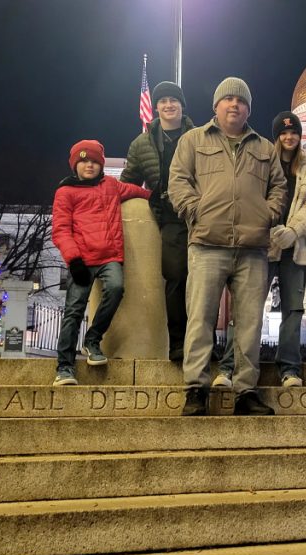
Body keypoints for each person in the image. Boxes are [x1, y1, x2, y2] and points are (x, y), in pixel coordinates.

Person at [168, 77, 287, 416]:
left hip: (252, 247)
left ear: (248, 108)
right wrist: (196, 211)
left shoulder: (265, 147)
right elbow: (178, 181)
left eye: (241, 100)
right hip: (207, 244)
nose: (234, 104)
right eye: (228, 99)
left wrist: (267, 214)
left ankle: (246, 391)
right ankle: (196, 388)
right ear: (216, 106)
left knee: (250, 323)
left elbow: (279, 188)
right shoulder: (193, 140)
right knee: (200, 319)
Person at [216, 111, 306, 387]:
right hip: (261, 246)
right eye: (284, 133)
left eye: (294, 132)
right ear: (276, 137)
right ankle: (229, 367)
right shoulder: (261, 162)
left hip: (295, 249)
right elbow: (250, 198)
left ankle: (290, 369)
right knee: (247, 309)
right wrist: (272, 229)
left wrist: (293, 231)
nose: (289, 137)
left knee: (294, 310)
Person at [52, 140, 150, 385]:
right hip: (82, 261)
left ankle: (93, 339)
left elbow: (138, 192)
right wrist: (74, 261)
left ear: (101, 165)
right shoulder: (65, 192)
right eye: (84, 160)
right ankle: (64, 367)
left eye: (94, 161)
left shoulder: (111, 186)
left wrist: (158, 198)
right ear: (75, 165)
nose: (89, 165)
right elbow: (61, 230)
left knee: (116, 289)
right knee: (74, 311)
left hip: (109, 258)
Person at [120, 81, 196, 363]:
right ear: (156, 107)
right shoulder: (142, 144)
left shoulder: (199, 136)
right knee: (175, 276)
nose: (168, 105)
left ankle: (205, 343)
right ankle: (178, 343)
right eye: (162, 101)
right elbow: (127, 183)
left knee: (204, 282)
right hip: (169, 219)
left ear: (181, 105)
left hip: (200, 217)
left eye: (173, 100)